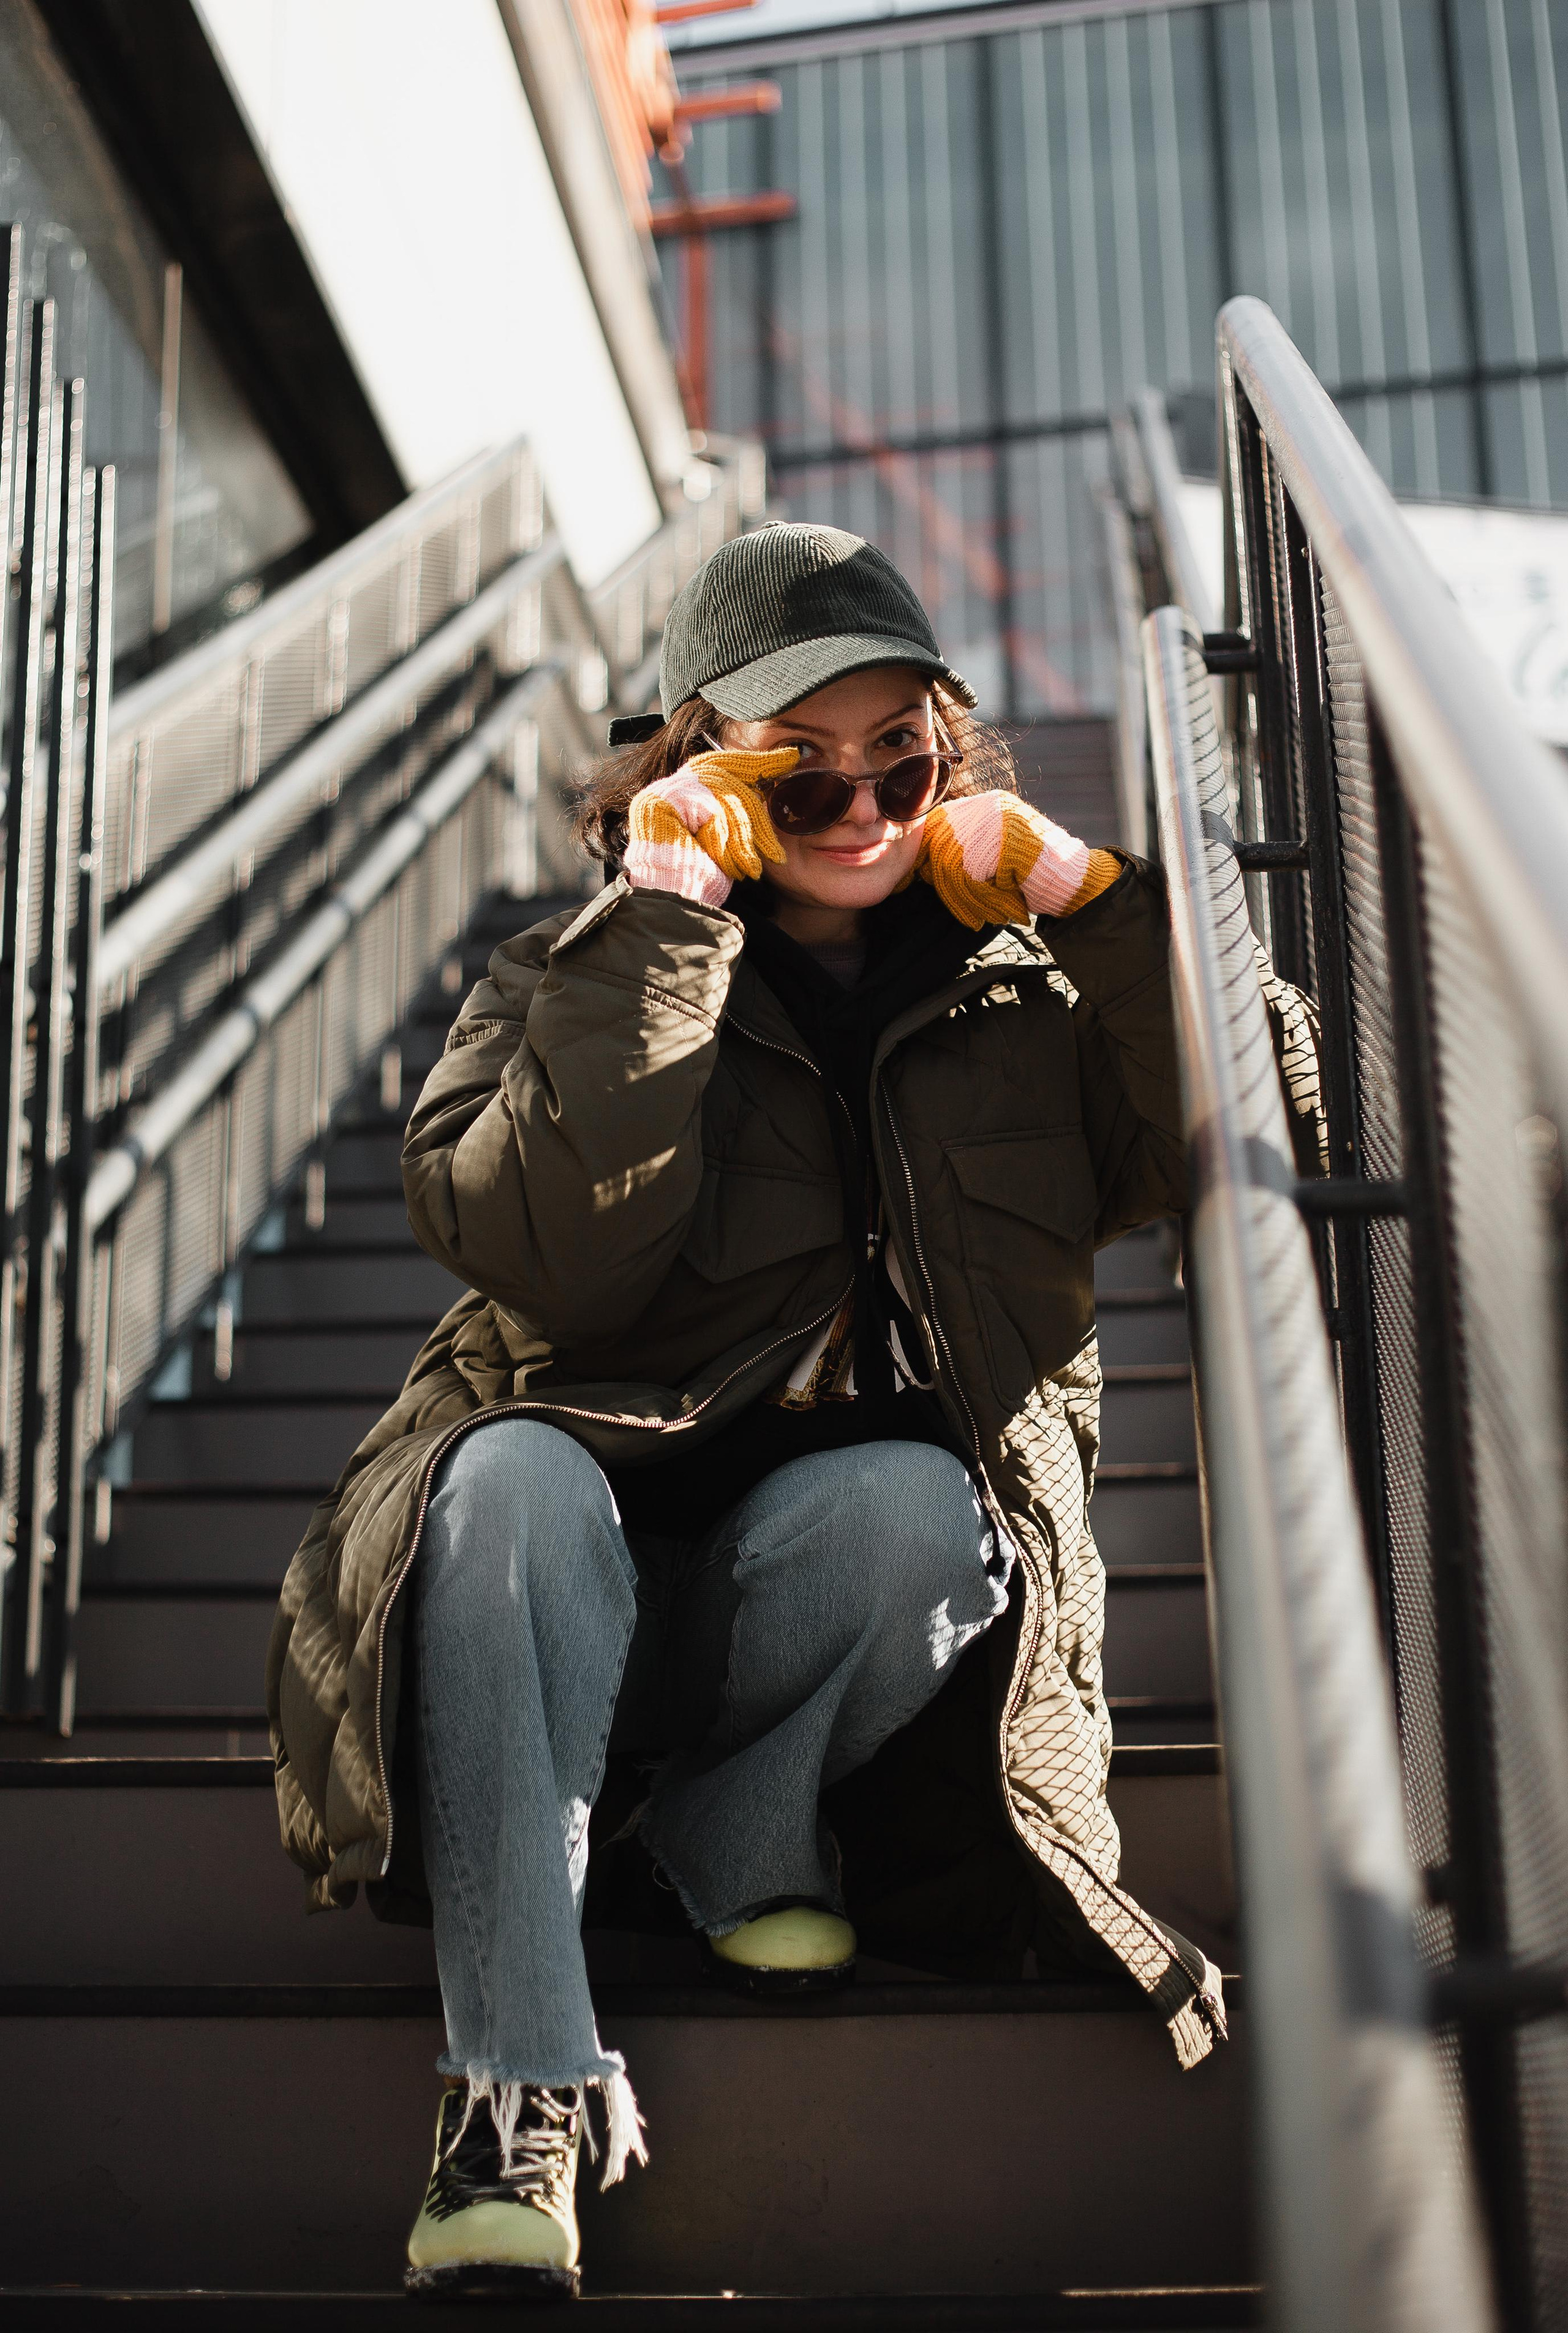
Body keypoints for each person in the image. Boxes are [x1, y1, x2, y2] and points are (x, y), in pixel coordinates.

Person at [266, 522, 1316, 2303]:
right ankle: (516, 2087)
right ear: (695, 761)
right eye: (791, 763)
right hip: (556, 1594)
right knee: (504, 1472)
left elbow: (1280, 1116)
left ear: (949, 751)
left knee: (924, 1502)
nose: (854, 803)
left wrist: (1099, 902)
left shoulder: (1025, 994)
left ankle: (739, 1825)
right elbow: (540, 1252)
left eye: (895, 755)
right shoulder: (566, 971)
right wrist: (666, 932)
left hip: (817, 1610)